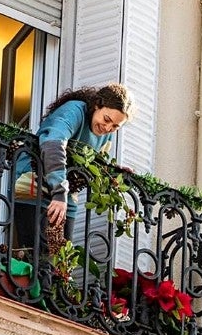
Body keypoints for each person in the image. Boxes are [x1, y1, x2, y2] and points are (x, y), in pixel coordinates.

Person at [14, 84, 134, 250]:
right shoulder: (74, 111)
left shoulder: (105, 138)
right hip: (34, 184)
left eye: (115, 127)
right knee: (36, 255)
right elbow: (53, 144)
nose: (107, 128)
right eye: (107, 119)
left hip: (65, 198)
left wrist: (113, 173)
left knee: (61, 260)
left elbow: (93, 165)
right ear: (97, 105)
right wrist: (59, 193)